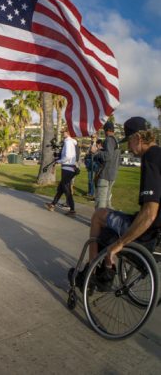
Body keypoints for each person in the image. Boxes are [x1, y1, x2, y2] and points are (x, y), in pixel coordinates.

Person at [72, 117, 160, 287]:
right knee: (110, 214)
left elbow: (149, 213)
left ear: (138, 138)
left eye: (129, 141)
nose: (128, 147)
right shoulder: (158, 154)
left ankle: (94, 274)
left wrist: (119, 244)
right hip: (156, 231)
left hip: (148, 231)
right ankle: (102, 268)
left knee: (98, 216)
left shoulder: (150, 158)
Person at [45, 129, 78, 217]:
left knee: (66, 189)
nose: (62, 133)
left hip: (67, 169)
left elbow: (67, 156)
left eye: (64, 132)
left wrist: (58, 161)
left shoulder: (68, 142)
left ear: (68, 132)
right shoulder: (71, 142)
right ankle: (52, 205)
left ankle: (72, 210)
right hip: (69, 169)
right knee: (61, 188)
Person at [91, 121, 120, 209]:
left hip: (105, 174)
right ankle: (106, 221)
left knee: (100, 202)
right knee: (107, 202)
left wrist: (96, 152)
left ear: (106, 130)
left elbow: (108, 156)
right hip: (112, 174)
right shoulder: (116, 140)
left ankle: (99, 222)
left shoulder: (109, 139)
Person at [84, 134, 100, 199]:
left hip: (94, 163)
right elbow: (88, 153)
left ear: (96, 138)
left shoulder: (97, 144)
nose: (92, 138)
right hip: (90, 163)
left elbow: (95, 152)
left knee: (92, 179)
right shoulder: (91, 144)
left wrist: (90, 151)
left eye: (93, 137)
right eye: (91, 137)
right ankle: (90, 192)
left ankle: (92, 193)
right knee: (89, 179)